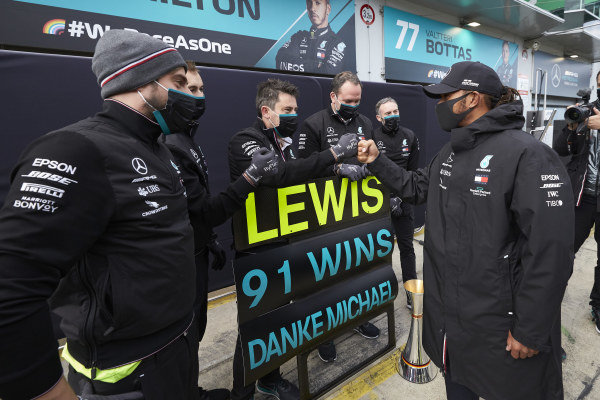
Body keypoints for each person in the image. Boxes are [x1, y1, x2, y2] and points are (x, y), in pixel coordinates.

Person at [0, 30, 279, 400]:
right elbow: (10, 285)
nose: (190, 95)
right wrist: (46, 391)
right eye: (178, 83)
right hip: (125, 373)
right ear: (144, 84)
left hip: (175, 348)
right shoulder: (76, 149)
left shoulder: (157, 149)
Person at [357, 61, 573, 400]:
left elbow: (552, 250)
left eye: (447, 95)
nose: (439, 103)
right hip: (451, 325)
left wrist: (530, 329)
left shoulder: (529, 155)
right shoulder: (450, 152)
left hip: (500, 328)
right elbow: (415, 188)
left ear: (472, 98)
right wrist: (375, 161)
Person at [228, 78, 358, 400]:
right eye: (287, 109)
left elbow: (301, 172)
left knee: (278, 321)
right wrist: (332, 154)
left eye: (296, 109)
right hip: (257, 250)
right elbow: (279, 177)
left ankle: (269, 379)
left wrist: (339, 168)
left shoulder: (281, 143)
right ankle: (241, 393)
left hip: (286, 243)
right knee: (255, 328)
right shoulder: (245, 141)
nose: (294, 115)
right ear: (266, 111)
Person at [160, 61, 256, 400]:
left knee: (195, 331)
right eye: (190, 88)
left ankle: (191, 390)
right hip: (180, 264)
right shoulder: (170, 144)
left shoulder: (185, 138)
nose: (199, 96)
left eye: (201, 89)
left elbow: (194, 207)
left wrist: (210, 239)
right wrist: (249, 179)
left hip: (197, 252)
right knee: (183, 336)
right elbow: (206, 210)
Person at [297, 70, 379, 363]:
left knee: (356, 270)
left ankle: (356, 317)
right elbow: (301, 169)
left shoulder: (366, 123)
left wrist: (369, 166)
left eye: (358, 101)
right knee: (325, 278)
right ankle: (324, 332)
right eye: (348, 100)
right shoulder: (313, 124)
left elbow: (373, 155)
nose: (354, 106)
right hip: (322, 215)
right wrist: (335, 168)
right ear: (333, 97)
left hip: (358, 212)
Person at [553, 70, 600, 335]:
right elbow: (561, 150)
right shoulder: (586, 112)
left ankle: (598, 305)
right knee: (563, 253)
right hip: (582, 197)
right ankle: (549, 303)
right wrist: (572, 126)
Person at [373, 97, 419, 308]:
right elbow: (370, 171)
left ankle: (411, 293)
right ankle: (376, 297)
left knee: (407, 248)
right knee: (377, 252)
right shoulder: (372, 136)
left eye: (395, 111)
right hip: (377, 204)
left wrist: (400, 198)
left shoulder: (410, 136)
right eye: (388, 113)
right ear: (379, 117)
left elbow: (412, 173)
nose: (392, 116)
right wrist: (386, 199)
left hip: (403, 202)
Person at [275, 0, 346, 74]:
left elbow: (328, 73)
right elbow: (280, 62)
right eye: (309, 3)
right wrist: (314, 65)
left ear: (328, 9)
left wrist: (298, 63)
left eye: (317, 3)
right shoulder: (299, 37)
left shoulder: (337, 43)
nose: (312, 8)